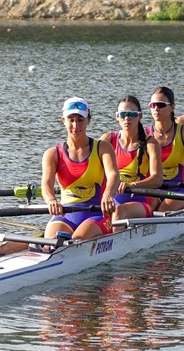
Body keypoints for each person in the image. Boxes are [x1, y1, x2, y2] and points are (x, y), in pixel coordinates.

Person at [41, 97, 119, 242]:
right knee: (50, 244)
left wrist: (108, 194)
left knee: (77, 240)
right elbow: (46, 185)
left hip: (97, 214)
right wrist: (51, 200)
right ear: (63, 121)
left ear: (88, 120)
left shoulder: (102, 148)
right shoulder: (52, 154)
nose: (75, 125)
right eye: (71, 120)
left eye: (80, 120)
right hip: (65, 215)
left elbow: (114, 175)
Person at [99, 95, 162, 223]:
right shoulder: (107, 140)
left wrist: (132, 184)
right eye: (123, 114)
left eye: (132, 114)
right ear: (117, 116)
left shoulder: (150, 144)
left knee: (118, 212)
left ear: (140, 116)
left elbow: (157, 179)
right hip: (112, 199)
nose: (127, 118)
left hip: (141, 200)